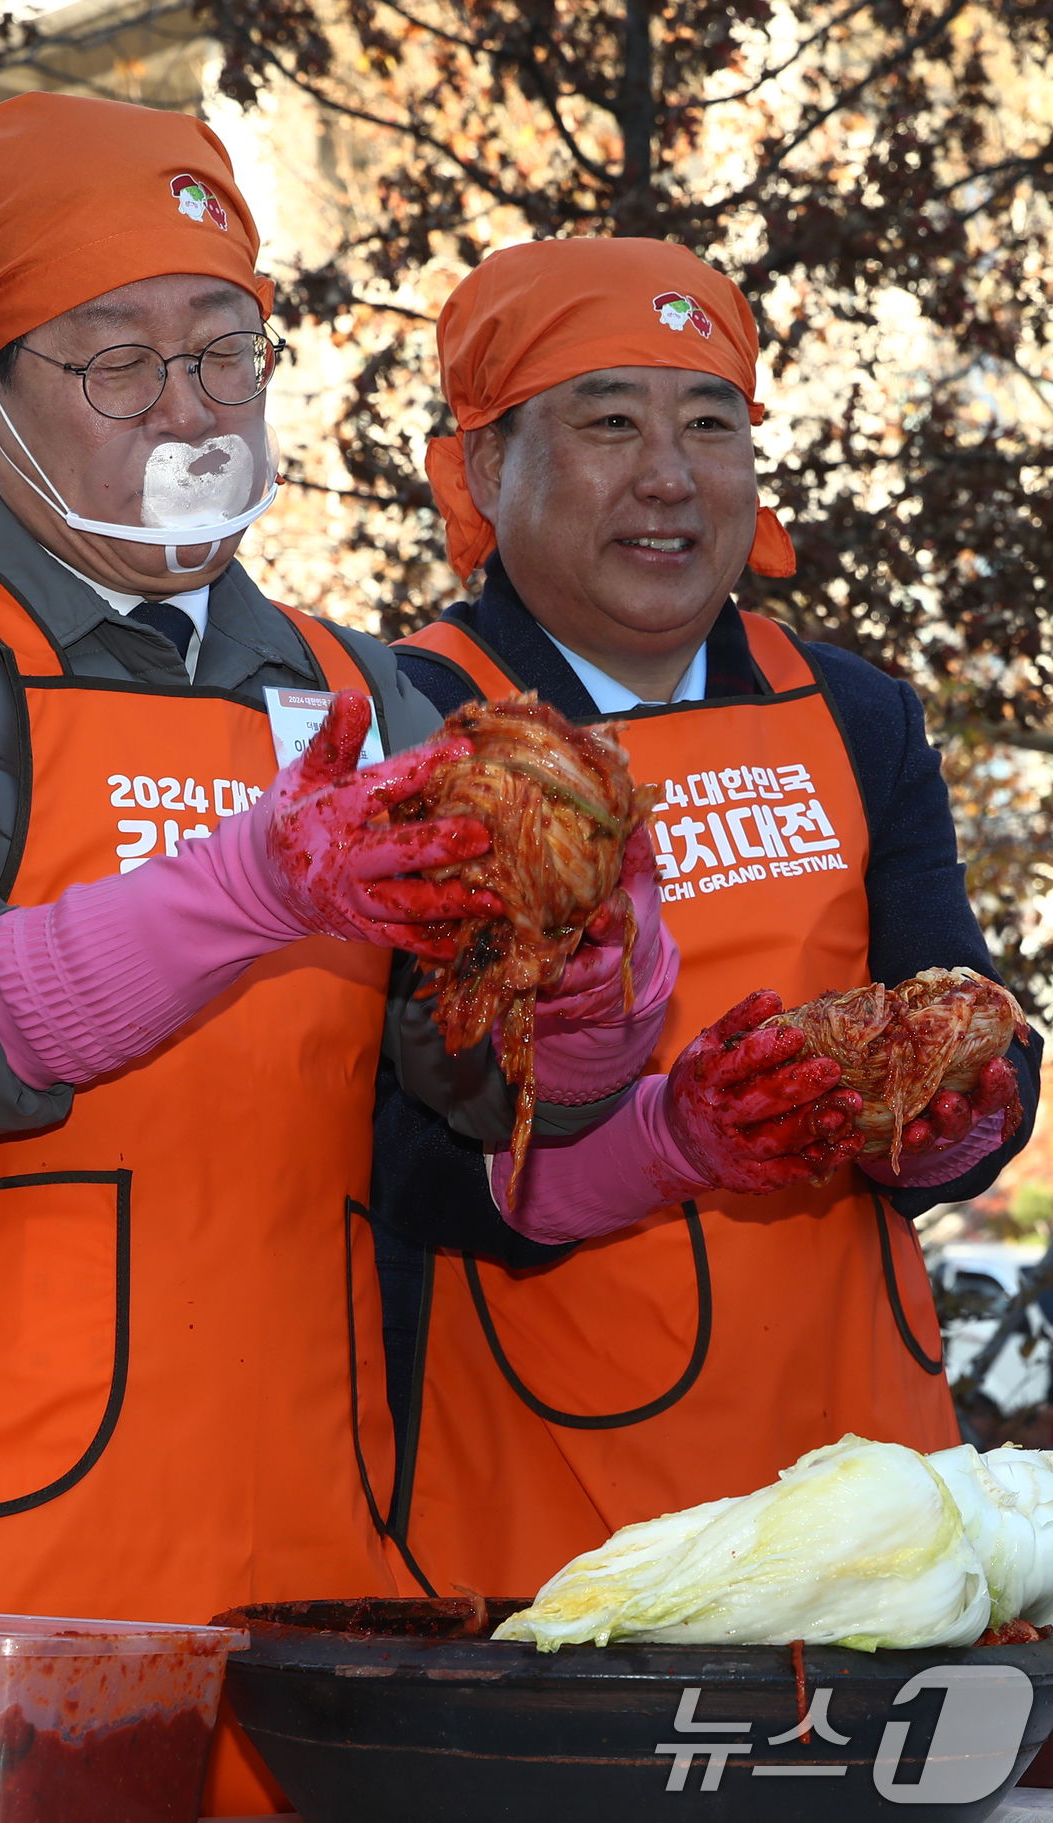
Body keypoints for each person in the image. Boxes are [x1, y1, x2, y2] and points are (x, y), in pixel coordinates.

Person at [0, 93, 517, 1817]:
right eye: (116, 362)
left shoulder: (389, 695)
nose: (191, 411)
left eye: (226, 350)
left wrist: (578, 1024)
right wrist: (260, 886)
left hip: (302, 1575)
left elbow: (466, 1132)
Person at [372, 237, 1043, 1601]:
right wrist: (660, 1141)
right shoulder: (405, 719)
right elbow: (378, 1154)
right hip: (531, 1485)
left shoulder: (856, 713)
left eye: (711, 424)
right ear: (487, 472)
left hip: (860, 1495)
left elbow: (969, 1024)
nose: (669, 477)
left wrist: (967, 1110)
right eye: (609, 422)